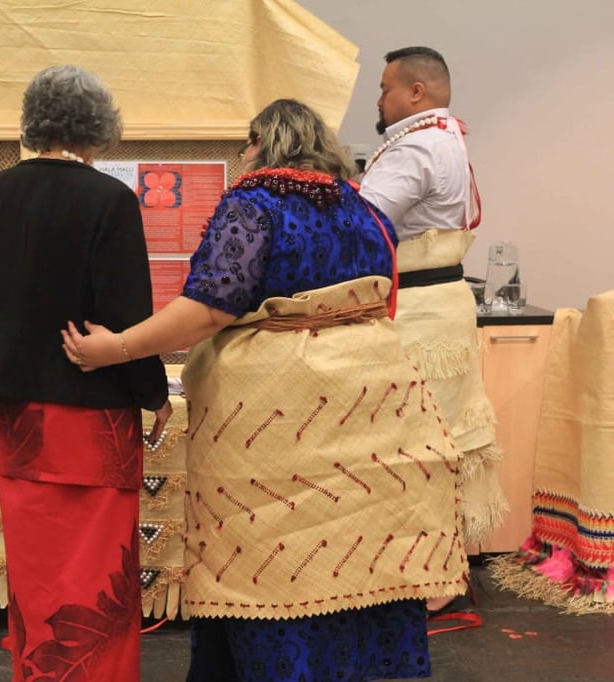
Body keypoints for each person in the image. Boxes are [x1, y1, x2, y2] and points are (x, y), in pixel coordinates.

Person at [62, 98, 469, 681]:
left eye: (246, 145)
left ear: (261, 143)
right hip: (372, 404)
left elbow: (209, 309)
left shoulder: (253, 204)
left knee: (271, 558)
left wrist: (118, 348)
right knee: (365, 551)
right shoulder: (362, 208)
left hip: (278, 414)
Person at [0, 64, 172, 681]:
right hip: (96, 416)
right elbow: (126, 312)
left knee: (38, 573)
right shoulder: (110, 200)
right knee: (97, 573)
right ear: (97, 127)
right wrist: (154, 393)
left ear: (33, 121)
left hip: (19, 417)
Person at [359, 46, 503, 615]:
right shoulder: (442, 137)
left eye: (385, 88)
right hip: (435, 304)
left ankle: (433, 575)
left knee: (417, 440)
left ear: (416, 92)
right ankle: (435, 566)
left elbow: (364, 222)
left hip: (419, 310)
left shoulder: (418, 145)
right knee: (437, 434)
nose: (379, 99)